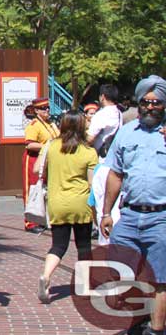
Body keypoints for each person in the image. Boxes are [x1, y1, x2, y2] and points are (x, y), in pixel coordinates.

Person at [100, 75, 166, 335]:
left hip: (161, 218)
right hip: (129, 217)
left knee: (161, 278)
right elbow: (115, 174)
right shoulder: (126, 133)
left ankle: (156, 330)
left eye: (157, 102)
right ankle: (138, 318)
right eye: (146, 102)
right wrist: (106, 212)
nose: (150, 107)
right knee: (119, 270)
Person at [37, 110, 97, 303]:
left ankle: (46, 276)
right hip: (81, 203)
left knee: (58, 245)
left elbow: (39, 169)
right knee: (84, 245)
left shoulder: (52, 146)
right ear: (81, 127)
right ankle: (84, 286)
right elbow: (92, 183)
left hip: (57, 203)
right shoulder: (89, 152)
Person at [23, 97, 59, 232]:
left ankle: (43, 219)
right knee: (32, 189)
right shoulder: (34, 125)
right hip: (34, 159)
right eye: (43, 108)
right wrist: (47, 146)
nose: (47, 110)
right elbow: (29, 144)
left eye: (48, 108)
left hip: (48, 159)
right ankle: (30, 222)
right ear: (37, 111)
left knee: (45, 190)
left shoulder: (51, 124)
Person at [87, 83, 121, 158]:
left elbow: (90, 138)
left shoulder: (101, 115)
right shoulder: (119, 113)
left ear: (102, 97)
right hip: (115, 155)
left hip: (101, 157)